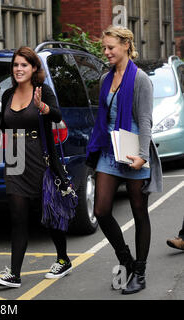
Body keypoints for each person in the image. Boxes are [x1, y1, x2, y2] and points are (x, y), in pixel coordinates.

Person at [0, 46, 72, 288]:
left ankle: (63, 258)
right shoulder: (8, 95)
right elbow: (3, 125)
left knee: (49, 214)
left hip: (41, 159)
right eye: (16, 65)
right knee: (18, 218)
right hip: (15, 161)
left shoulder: (43, 91)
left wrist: (43, 108)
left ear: (34, 68)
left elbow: (57, 116)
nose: (18, 69)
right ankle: (14, 274)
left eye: (24, 65)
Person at [86, 26, 163, 295]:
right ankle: (126, 261)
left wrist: (142, 157)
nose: (105, 52)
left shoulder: (141, 79)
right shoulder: (106, 79)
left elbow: (144, 120)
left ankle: (139, 272)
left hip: (134, 152)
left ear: (126, 46)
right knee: (102, 211)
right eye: (104, 48)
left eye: (110, 48)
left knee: (139, 213)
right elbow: (103, 117)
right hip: (110, 151)